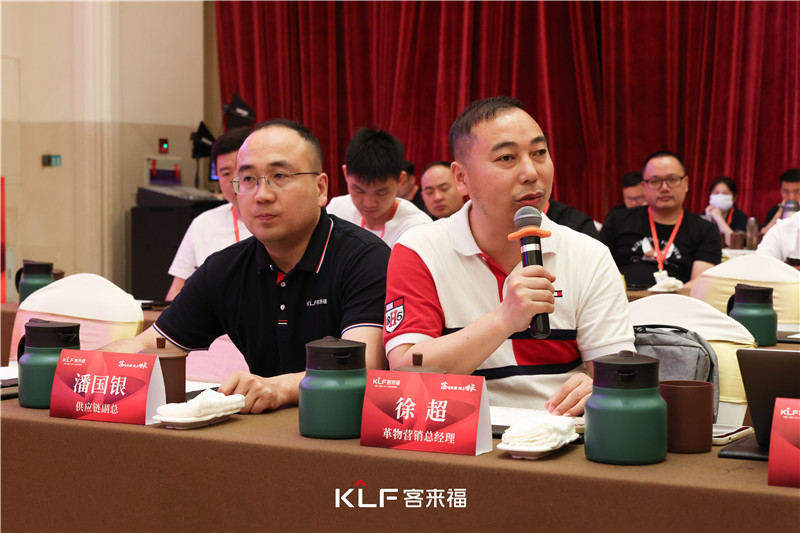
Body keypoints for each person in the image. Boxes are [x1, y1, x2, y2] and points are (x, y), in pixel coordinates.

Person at [104, 119, 391, 413]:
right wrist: (83, 367)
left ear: (320, 188)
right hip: (261, 429)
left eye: (279, 176)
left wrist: (279, 387)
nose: (262, 195)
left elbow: (363, 365)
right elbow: (149, 345)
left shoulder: (365, 259)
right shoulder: (225, 269)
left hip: (344, 427)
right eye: (248, 179)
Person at [384, 96, 634, 415]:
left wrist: (599, 388)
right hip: (457, 432)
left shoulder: (589, 255)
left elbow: (621, 380)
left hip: (561, 432)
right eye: (507, 157)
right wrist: (504, 319)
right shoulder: (420, 250)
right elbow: (406, 374)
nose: (531, 172)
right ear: (461, 178)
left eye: (539, 153)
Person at [599, 150, 721, 288]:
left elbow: (699, 285)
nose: (664, 188)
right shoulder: (618, 220)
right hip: (620, 298)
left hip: (676, 300)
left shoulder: (705, 230)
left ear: (686, 183)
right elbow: (597, 271)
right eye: (655, 181)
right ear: (644, 187)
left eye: (672, 179)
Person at [166, 127, 253, 301]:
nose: (235, 180)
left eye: (242, 170)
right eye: (226, 173)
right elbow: (175, 294)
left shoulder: (280, 222)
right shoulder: (203, 224)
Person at [327, 128, 432, 247]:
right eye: (359, 190)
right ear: (346, 174)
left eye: (381, 193)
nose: (369, 203)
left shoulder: (417, 228)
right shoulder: (336, 211)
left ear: (400, 180)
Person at [702, 176, 749, 247]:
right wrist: (707, 219)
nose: (720, 196)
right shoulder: (702, 216)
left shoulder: (740, 218)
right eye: (716, 193)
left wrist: (718, 218)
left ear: (734, 198)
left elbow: (735, 244)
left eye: (725, 193)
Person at [762, 168, 800, 234]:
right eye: (786, 191)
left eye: (796, 191)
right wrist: (779, 213)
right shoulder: (775, 211)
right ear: (781, 191)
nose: (791, 197)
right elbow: (764, 234)